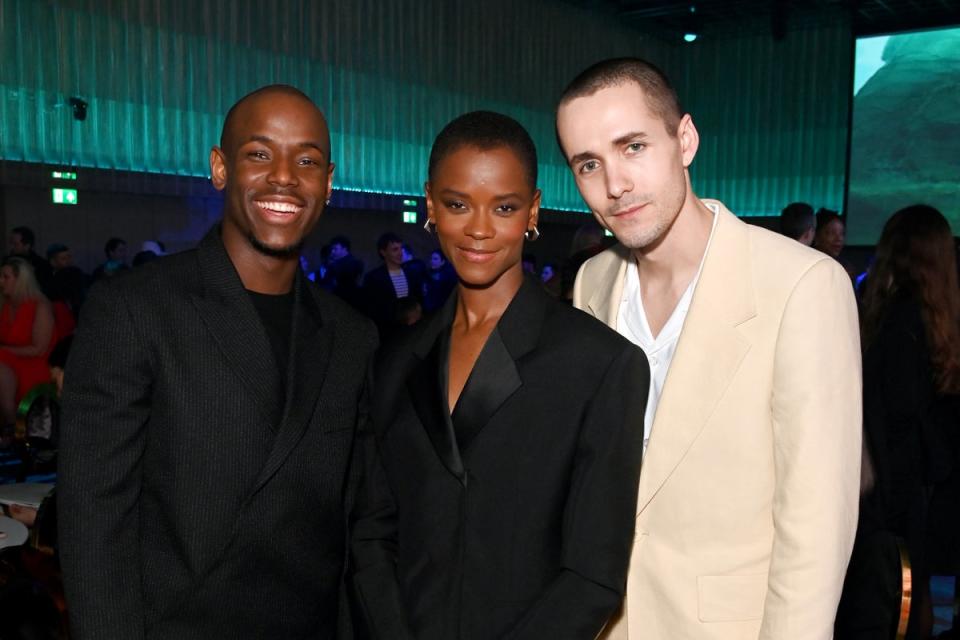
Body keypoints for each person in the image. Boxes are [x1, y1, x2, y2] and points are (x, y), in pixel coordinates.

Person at [556, 57, 862, 639]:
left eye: (634, 147)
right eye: (589, 163)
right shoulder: (592, 283)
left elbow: (816, 528)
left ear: (685, 140)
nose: (614, 184)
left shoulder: (801, 286)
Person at [58, 84, 377, 639]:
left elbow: (352, 526)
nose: (283, 176)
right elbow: (93, 517)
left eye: (306, 160)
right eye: (259, 154)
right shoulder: (136, 309)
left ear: (328, 182)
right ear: (220, 167)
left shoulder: (353, 337)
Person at [350, 111, 649, 639]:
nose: (480, 229)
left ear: (532, 211)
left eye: (504, 207)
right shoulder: (395, 361)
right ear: (430, 205)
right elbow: (374, 534)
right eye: (458, 204)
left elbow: (592, 575)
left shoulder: (599, 363)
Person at [839, 204, 960, 639]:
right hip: (914, 486)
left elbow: (893, 414)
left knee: (893, 595)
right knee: (912, 589)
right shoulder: (935, 318)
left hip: (891, 487)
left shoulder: (892, 318)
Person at [0, 257, 55, 434]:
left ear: (20, 280)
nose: (1, 281)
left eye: (5, 277)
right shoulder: (5, 305)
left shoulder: (40, 306)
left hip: (35, 364)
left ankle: (11, 420)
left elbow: (39, 349)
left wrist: (4, 350)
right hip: (9, 362)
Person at [361, 232, 425, 336]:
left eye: (400, 248)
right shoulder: (374, 278)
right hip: (387, 332)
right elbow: (371, 309)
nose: (400, 253)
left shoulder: (412, 274)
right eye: (395, 249)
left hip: (412, 332)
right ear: (383, 252)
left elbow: (419, 300)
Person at [421, 248, 457, 313]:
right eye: (431, 258)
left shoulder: (449, 276)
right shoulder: (427, 274)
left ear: (442, 262)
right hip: (430, 310)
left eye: (435, 259)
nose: (432, 261)